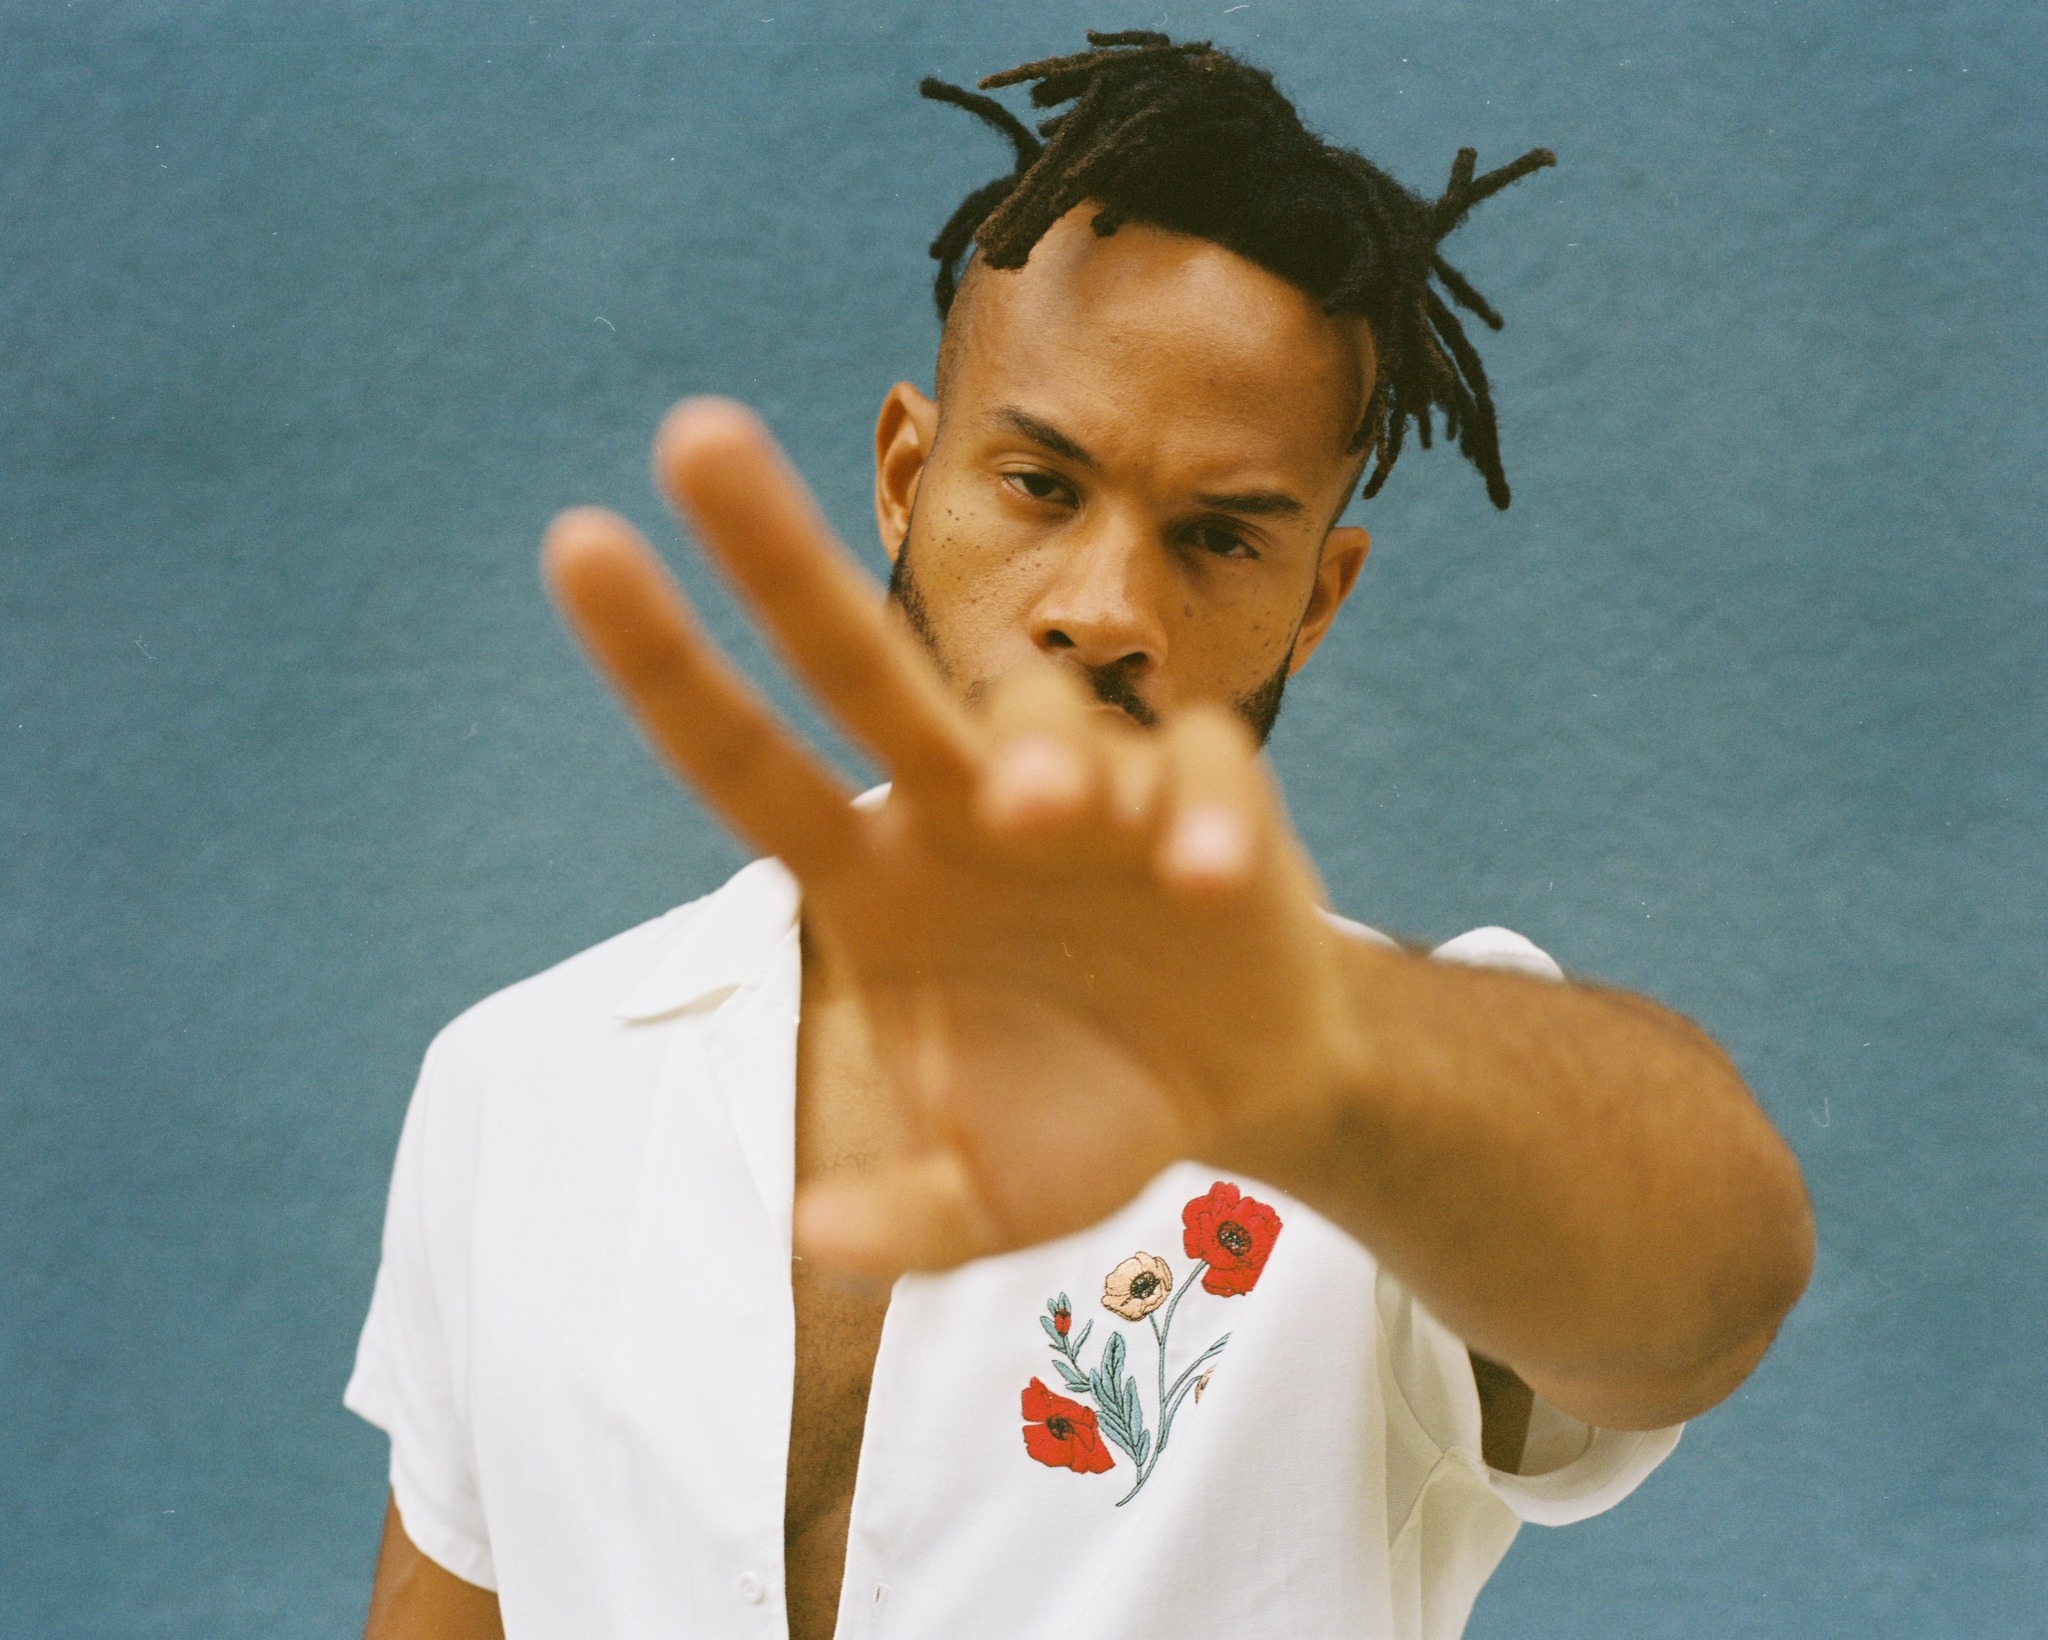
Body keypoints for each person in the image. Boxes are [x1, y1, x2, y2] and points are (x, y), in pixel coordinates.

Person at [348, 31, 1813, 1640]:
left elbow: (1710, 1291)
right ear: (908, 476)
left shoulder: (1405, 1104)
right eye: (1042, 485)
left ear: (1316, 601)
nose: (1108, 610)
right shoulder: (519, 1080)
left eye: (1220, 537)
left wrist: (1314, 1076)